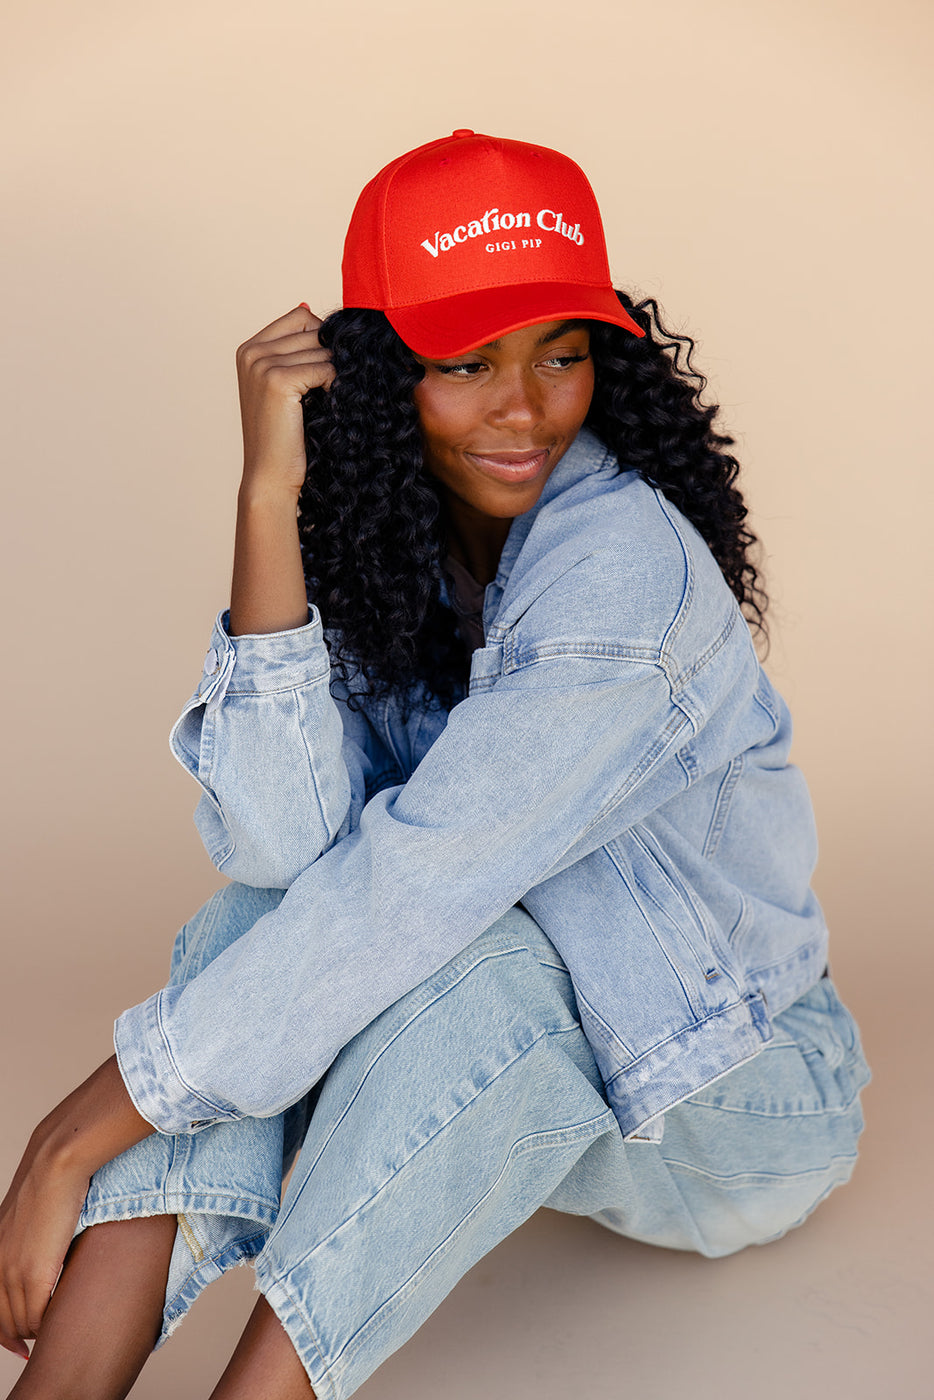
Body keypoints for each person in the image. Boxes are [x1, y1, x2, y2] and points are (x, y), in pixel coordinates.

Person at [0, 130, 869, 1400]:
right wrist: (265, 492)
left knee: (490, 966)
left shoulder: (623, 572)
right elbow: (276, 848)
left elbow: (418, 885)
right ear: (380, 372)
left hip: (737, 1093)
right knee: (276, 918)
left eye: (562, 355)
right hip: (519, 1029)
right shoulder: (380, 527)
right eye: (467, 361)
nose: (525, 407)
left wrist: (75, 1130)